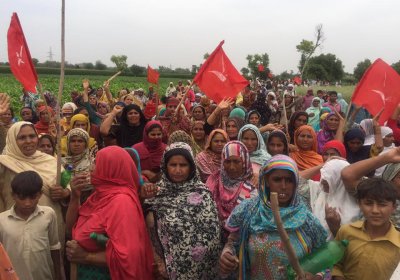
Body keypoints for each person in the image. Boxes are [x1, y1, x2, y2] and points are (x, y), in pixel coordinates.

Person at [220, 155, 327, 279]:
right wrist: (227, 253)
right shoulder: (248, 211)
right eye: (277, 179)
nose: (283, 186)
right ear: (267, 181)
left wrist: (316, 276)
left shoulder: (307, 220)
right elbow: (233, 242)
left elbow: (323, 258)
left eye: (289, 180)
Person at [66, 146, 154, 279]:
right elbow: (70, 230)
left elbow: (129, 256)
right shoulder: (99, 196)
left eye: (96, 162)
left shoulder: (121, 202)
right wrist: (75, 197)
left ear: (110, 168)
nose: (91, 167)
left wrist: (87, 256)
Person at [145, 142, 221, 279]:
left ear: (191, 167)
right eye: (173, 165)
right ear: (165, 166)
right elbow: (149, 232)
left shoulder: (203, 194)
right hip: (166, 270)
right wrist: (159, 262)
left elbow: (212, 236)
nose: (178, 170)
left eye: (183, 165)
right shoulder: (156, 193)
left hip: (200, 270)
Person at [0, 122, 69, 247]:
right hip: (14, 229)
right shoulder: (4, 163)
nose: (28, 141)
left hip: (50, 226)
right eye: (22, 138)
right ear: (12, 140)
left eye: (32, 136)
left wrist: (64, 193)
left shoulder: (50, 160)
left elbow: (68, 183)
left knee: (50, 261)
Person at [332, 178, 400, 280]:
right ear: (359, 204)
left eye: (382, 204)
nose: (375, 210)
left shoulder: (397, 243)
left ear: (393, 207)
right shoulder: (346, 231)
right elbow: (335, 262)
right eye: (368, 203)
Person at [0, 171, 62, 280]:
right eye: (22, 198)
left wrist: (58, 275)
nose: (27, 203)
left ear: (40, 194)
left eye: (33, 197)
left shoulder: (48, 214)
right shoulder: (2, 220)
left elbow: (54, 247)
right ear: (13, 195)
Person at [206, 141, 257, 241]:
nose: (232, 167)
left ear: (244, 162)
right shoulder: (213, 181)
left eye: (236, 162)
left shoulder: (252, 186)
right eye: (227, 162)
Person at [62, 128, 95, 203]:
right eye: (73, 141)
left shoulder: (92, 162)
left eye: (80, 141)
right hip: (66, 202)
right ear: (68, 143)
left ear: (86, 144)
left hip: (88, 201)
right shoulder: (62, 162)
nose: (76, 144)